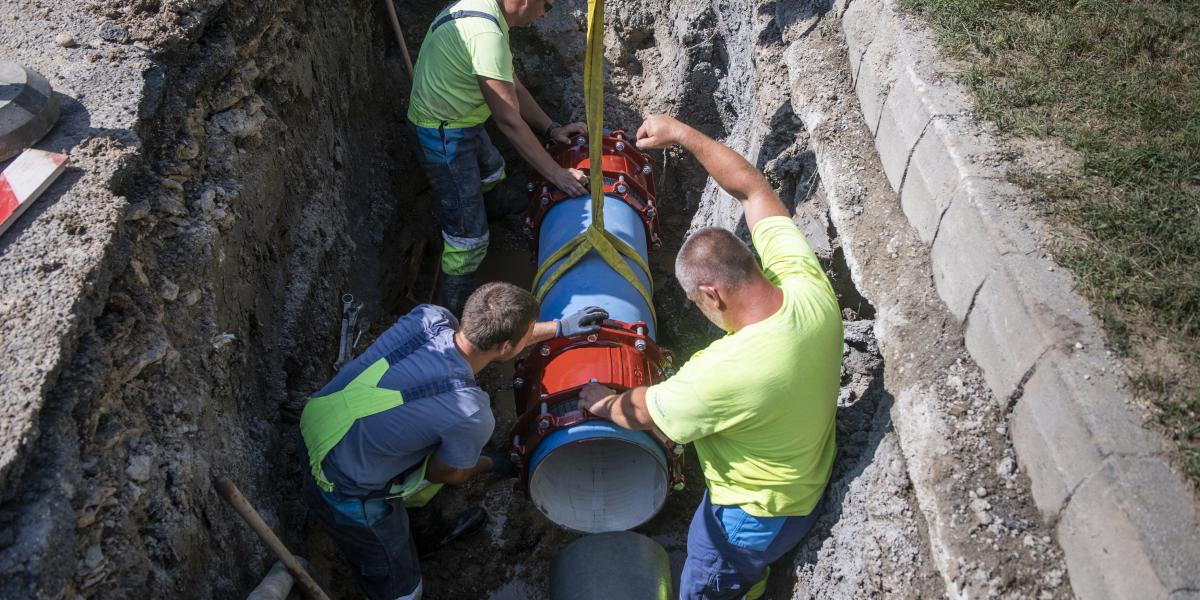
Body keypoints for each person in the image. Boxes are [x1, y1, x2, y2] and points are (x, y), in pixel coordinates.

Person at [578, 115, 844, 600]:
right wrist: (683, 133)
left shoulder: (719, 373)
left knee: (705, 582)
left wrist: (600, 401)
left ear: (712, 293)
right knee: (749, 568)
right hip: (807, 475)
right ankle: (754, 581)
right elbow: (752, 189)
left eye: (699, 304)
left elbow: (639, 412)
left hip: (751, 519)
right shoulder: (809, 287)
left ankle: (738, 584)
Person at [302, 282, 606, 600]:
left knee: (428, 443)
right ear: (505, 348)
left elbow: (500, 336)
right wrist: (495, 463)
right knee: (404, 590)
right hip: (338, 487)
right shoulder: (471, 412)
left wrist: (560, 327)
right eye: (527, 334)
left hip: (317, 421)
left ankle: (421, 533)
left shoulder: (430, 317)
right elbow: (443, 474)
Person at [408, 0, 591, 315]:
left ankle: (486, 216)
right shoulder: (486, 35)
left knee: (493, 172)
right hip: (443, 135)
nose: (546, 13)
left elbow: (511, 84)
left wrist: (552, 129)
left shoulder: (487, 12)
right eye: (546, 5)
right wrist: (557, 174)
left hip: (460, 119)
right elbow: (509, 122)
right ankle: (451, 321)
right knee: (468, 241)